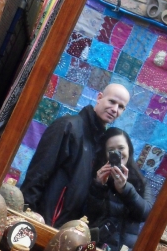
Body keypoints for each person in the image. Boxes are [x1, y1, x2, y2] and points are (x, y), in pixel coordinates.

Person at [21, 84, 130, 228]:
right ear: (99, 97)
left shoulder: (101, 143)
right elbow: (38, 173)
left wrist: (99, 184)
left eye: (121, 107)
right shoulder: (68, 126)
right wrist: (25, 215)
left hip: (66, 230)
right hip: (42, 222)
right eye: (112, 101)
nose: (115, 109)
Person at [86, 128, 153, 251]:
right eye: (111, 150)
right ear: (105, 154)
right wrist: (98, 186)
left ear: (129, 150)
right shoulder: (97, 176)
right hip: (96, 249)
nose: (117, 153)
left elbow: (146, 215)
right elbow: (89, 215)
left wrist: (125, 189)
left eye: (121, 148)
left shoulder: (140, 182)